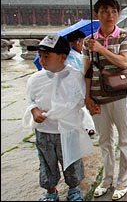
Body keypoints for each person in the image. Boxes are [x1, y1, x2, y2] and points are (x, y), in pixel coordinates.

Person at [23, 34, 93, 202]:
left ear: (63, 57)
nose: (42, 60)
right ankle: (50, 190)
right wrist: (34, 111)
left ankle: (74, 188)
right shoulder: (35, 79)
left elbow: (80, 100)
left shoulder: (75, 77)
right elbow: (30, 100)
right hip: (44, 131)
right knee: (47, 162)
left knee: (72, 160)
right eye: (40, 56)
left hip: (68, 130)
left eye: (46, 56)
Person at [82, 0, 127, 201]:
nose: (109, 15)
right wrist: (87, 98)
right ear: (97, 14)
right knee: (104, 140)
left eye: (113, 11)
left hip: (121, 95)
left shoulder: (124, 35)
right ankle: (107, 179)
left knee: (125, 140)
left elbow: (124, 61)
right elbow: (85, 71)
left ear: (118, 14)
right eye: (104, 11)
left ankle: (123, 180)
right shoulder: (88, 41)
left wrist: (102, 50)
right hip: (98, 96)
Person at [66, 29, 96, 136]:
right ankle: (88, 127)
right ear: (78, 42)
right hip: (76, 86)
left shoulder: (77, 55)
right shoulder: (71, 57)